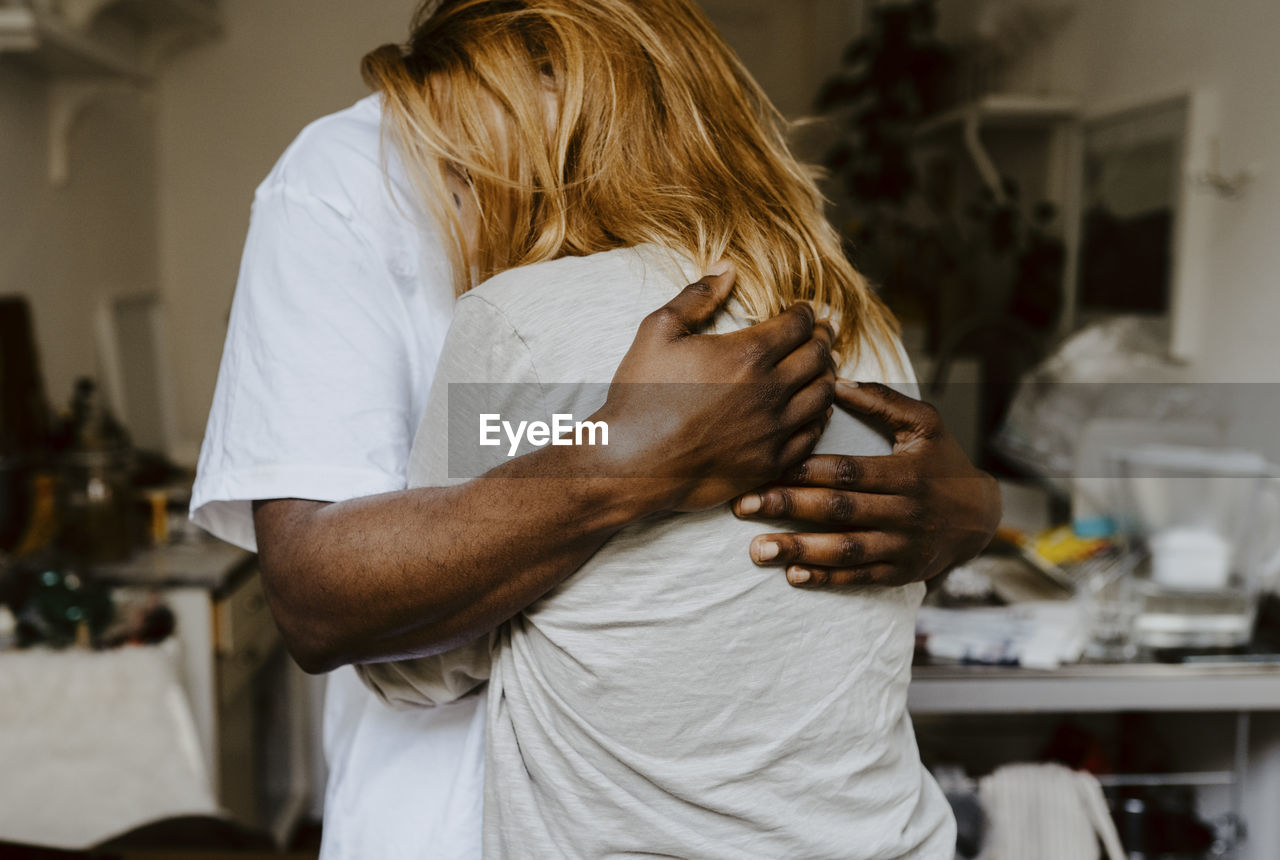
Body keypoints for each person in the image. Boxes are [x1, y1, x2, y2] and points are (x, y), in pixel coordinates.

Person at [190, 3, 1001, 858]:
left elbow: (412, 667)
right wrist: (626, 459)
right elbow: (320, 595)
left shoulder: (516, 317)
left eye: (467, 175)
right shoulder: (858, 317)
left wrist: (969, 513)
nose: (462, 204)